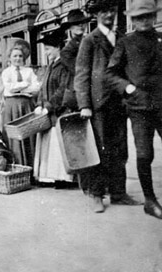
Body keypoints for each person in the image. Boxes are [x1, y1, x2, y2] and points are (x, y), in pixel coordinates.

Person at [74, 0, 141, 212]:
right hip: (98, 104)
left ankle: (118, 193)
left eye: (112, 10)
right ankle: (96, 193)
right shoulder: (89, 40)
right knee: (99, 148)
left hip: (119, 103)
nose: (109, 15)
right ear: (96, 14)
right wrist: (84, 104)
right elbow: (82, 74)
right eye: (104, 11)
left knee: (119, 148)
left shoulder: (122, 38)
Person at [106, 0, 162, 220]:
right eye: (138, 17)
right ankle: (150, 200)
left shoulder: (160, 40)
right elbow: (111, 74)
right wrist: (128, 87)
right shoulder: (126, 42)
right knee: (145, 153)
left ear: (154, 17)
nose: (143, 21)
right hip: (139, 107)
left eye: (147, 16)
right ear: (132, 20)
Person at [33, 29, 74, 187]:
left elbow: (63, 89)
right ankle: (51, 177)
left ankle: (64, 179)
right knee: (50, 145)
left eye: (48, 49)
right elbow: (44, 87)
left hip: (59, 112)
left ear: (58, 47)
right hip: (49, 113)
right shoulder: (50, 66)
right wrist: (39, 104)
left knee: (59, 146)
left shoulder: (64, 65)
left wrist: (49, 106)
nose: (46, 52)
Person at [2, 41, 40, 166]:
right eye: (15, 56)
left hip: (26, 105)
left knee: (29, 134)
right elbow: (9, 88)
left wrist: (19, 87)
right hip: (11, 106)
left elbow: (36, 88)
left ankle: (31, 168)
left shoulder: (29, 71)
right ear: (10, 58)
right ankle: (17, 166)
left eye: (20, 56)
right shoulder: (6, 72)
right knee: (14, 137)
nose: (17, 58)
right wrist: (25, 84)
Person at [60, 9, 91, 112]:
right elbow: (79, 71)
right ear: (70, 27)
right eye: (76, 24)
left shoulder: (91, 42)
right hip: (77, 94)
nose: (81, 26)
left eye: (83, 22)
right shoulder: (66, 51)